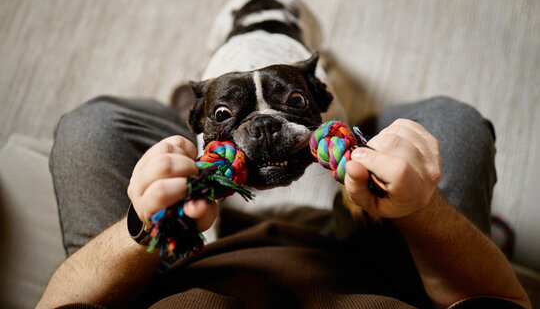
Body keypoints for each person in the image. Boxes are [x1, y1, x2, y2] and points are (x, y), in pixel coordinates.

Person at [38, 95, 531, 308]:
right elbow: (502, 301)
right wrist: (422, 209)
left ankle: (194, 114)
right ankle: (367, 123)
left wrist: (144, 225)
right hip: (383, 263)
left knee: (91, 126)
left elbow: (66, 304)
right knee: (454, 123)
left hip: (171, 265)